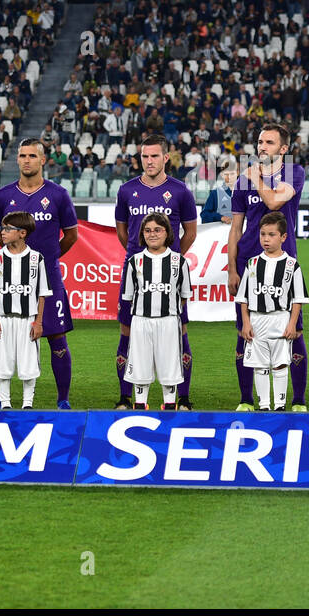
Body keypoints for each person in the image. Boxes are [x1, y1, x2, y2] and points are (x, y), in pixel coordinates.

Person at [0, 138, 79, 409]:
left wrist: (42, 262)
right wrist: (16, 261)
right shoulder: (3, 196)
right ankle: (1, 398)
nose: (26, 160)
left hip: (49, 277)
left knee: (56, 337)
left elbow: (72, 235)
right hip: (10, 283)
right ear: (17, 160)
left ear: (43, 160)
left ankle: (62, 399)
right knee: (3, 335)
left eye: (32, 156)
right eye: (22, 156)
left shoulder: (58, 194)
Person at [113, 134, 198, 409]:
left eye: (154, 156)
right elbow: (123, 233)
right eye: (144, 156)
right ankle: (126, 397)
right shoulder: (126, 190)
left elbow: (191, 232)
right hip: (136, 272)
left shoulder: (180, 190)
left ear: (165, 158)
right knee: (128, 332)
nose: (149, 161)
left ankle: (181, 397)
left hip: (168, 276)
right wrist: (144, 256)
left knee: (179, 332)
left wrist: (168, 258)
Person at [228, 123, 307, 410]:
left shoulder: (294, 173)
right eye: (260, 142)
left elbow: (273, 202)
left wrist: (256, 177)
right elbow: (236, 227)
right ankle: (247, 400)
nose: (262, 147)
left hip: (285, 264)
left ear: (283, 149)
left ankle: (297, 400)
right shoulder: (243, 180)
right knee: (245, 329)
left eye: (269, 143)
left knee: (293, 329)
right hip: (249, 263)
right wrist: (233, 268)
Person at [235, 211, 309, 411]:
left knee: (280, 364)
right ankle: (264, 406)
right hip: (257, 320)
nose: (266, 239)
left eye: (271, 235)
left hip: (280, 319)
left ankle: (280, 405)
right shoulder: (253, 263)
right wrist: (246, 322)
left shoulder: (292, 265)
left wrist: (292, 323)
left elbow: (298, 299)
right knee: (259, 365)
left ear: (283, 237)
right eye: (263, 234)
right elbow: (243, 297)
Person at [121, 213, 191, 411]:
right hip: (141, 320)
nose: (153, 234)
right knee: (140, 362)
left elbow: (184, 294)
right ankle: (140, 404)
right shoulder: (134, 262)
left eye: (157, 230)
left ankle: (169, 404)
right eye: (148, 230)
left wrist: (168, 309)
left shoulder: (179, 261)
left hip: (168, 320)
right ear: (142, 234)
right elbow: (128, 295)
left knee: (169, 363)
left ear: (167, 232)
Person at [0, 211, 50, 410]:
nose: (2, 232)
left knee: (29, 363)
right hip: (4, 319)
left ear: (22, 233)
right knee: (2, 363)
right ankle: (5, 403)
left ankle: (27, 403)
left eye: (7, 229)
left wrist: (38, 322)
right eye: (2, 228)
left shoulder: (36, 259)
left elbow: (42, 293)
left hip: (27, 320)